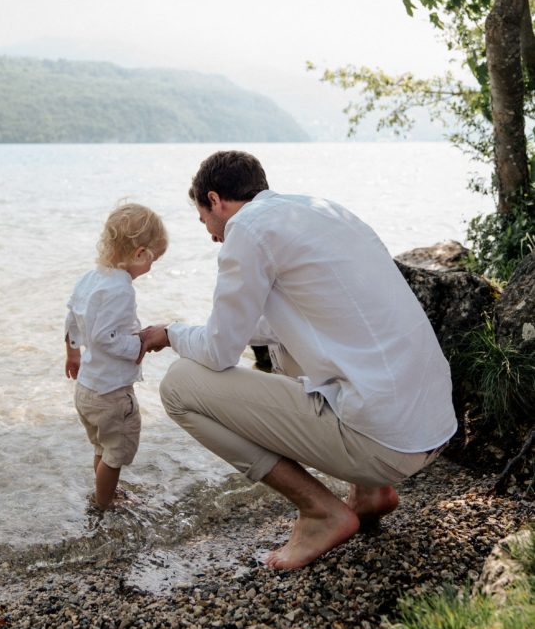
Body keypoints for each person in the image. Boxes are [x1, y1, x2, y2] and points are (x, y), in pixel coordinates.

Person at [138, 151, 457, 570]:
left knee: (179, 385)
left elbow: (219, 352)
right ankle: (371, 492)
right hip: (432, 426)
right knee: (286, 346)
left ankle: (321, 512)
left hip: (387, 444)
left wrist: (172, 333)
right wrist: (196, 329)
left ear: (214, 200)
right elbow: (285, 324)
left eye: (204, 221)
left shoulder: (246, 230)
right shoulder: (320, 211)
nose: (212, 236)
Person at [65, 202, 168, 510]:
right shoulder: (121, 289)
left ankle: (103, 493)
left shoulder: (90, 278)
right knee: (115, 453)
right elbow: (103, 337)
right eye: (153, 259)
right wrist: (140, 345)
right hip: (111, 394)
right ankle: (105, 503)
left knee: (102, 445)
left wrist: (72, 353)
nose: (152, 266)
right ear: (139, 254)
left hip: (87, 389)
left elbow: (72, 318)